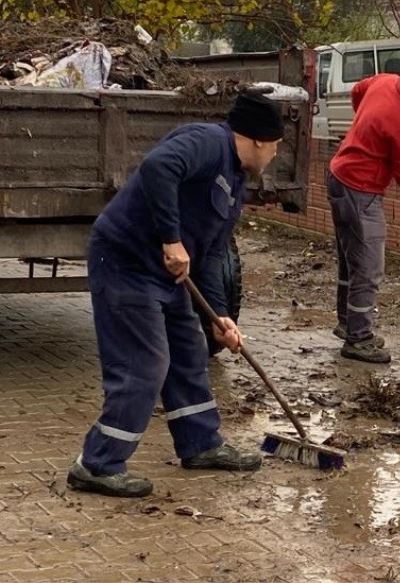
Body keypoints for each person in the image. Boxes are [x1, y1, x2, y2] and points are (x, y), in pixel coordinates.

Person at [67, 93, 285, 497]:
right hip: (126, 262)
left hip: (164, 276)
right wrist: (171, 239)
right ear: (258, 139)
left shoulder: (235, 183)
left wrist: (220, 316)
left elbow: (211, 253)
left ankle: (200, 444)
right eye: (275, 146)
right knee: (146, 363)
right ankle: (96, 464)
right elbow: (158, 166)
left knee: (189, 350)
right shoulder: (207, 142)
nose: (274, 154)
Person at [328, 55, 400, 364]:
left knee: (350, 260)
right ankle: (360, 339)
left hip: (339, 177)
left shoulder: (384, 81)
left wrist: (366, 126)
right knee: (368, 267)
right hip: (360, 190)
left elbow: (358, 90)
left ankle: (348, 324)